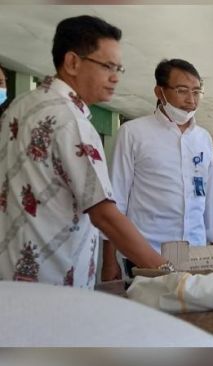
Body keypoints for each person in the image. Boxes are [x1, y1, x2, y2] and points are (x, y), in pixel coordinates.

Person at [0, 15, 169, 289]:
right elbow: (104, 215)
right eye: (107, 66)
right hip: (54, 286)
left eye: (119, 68)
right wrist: (168, 273)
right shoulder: (72, 122)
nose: (115, 77)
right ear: (72, 62)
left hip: (10, 282)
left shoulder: (21, 106)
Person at [102, 58, 213, 281]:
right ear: (160, 92)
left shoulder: (203, 138)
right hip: (145, 255)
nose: (191, 100)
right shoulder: (133, 134)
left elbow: (211, 200)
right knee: (148, 314)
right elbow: (115, 201)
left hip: (195, 256)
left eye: (197, 92)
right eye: (182, 91)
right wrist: (109, 262)